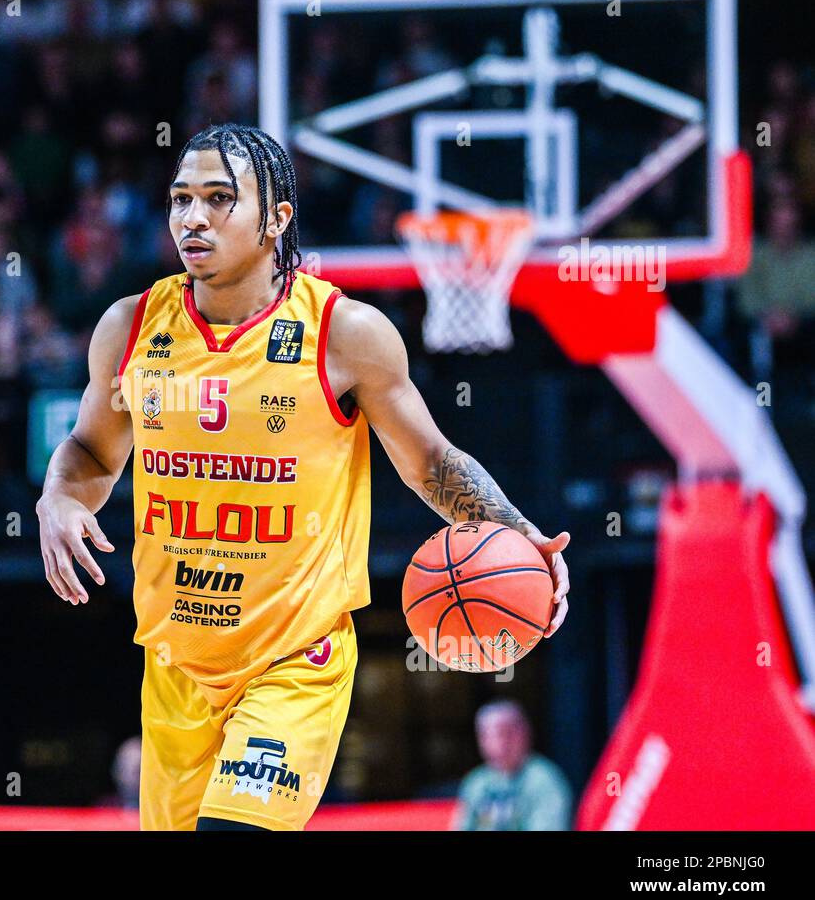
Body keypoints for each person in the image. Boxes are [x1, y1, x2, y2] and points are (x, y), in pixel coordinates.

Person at [36, 123, 571, 832]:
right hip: (176, 669)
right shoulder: (131, 327)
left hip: (295, 661)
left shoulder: (343, 334)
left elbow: (431, 463)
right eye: (180, 199)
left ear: (278, 218)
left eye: (219, 199)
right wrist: (60, 498)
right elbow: (91, 454)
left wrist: (520, 532)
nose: (192, 218)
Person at [451, 700, 572, 831]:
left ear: (525, 733)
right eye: (488, 735)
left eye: (507, 733)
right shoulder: (476, 782)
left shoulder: (544, 780)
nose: (499, 743)